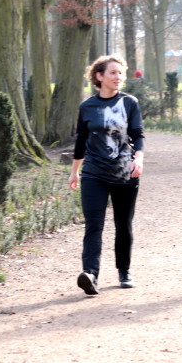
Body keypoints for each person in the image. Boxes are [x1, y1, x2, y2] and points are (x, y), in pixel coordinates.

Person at [69, 55, 145, 295]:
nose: (118, 77)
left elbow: (138, 133)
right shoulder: (87, 107)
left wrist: (139, 158)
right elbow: (81, 141)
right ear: (99, 76)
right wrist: (75, 172)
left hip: (125, 172)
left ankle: (124, 271)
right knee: (94, 224)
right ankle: (90, 274)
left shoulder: (129, 103)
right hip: (94, 173)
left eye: (120, 73)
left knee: (123, 224)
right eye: (113, 72)